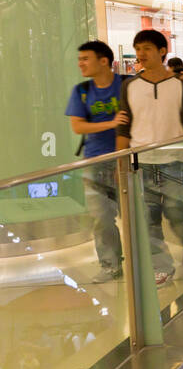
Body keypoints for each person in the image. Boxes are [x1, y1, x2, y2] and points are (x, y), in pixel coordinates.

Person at [116, 29, 183, 287]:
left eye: (146, 49)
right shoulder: (129, 85)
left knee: (177, 212)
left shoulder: (179, 87)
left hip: (173, 160)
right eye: (138, 48)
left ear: (162, 51)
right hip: (140, 162)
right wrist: (121, 161)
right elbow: (123, 124)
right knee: (147, 217)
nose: (141, 54)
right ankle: (162, 267)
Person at [66, 40, 127, 282]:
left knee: (137, 215)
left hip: (126, 160)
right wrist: (112, 123)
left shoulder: (127, 85)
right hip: (94, 161)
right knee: (101, 218)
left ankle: (144, 262)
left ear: (104, 61)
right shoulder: (81, 90)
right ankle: (110, 265)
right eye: (79, 59)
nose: (80, 63)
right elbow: (78, 126)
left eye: (85, 58)